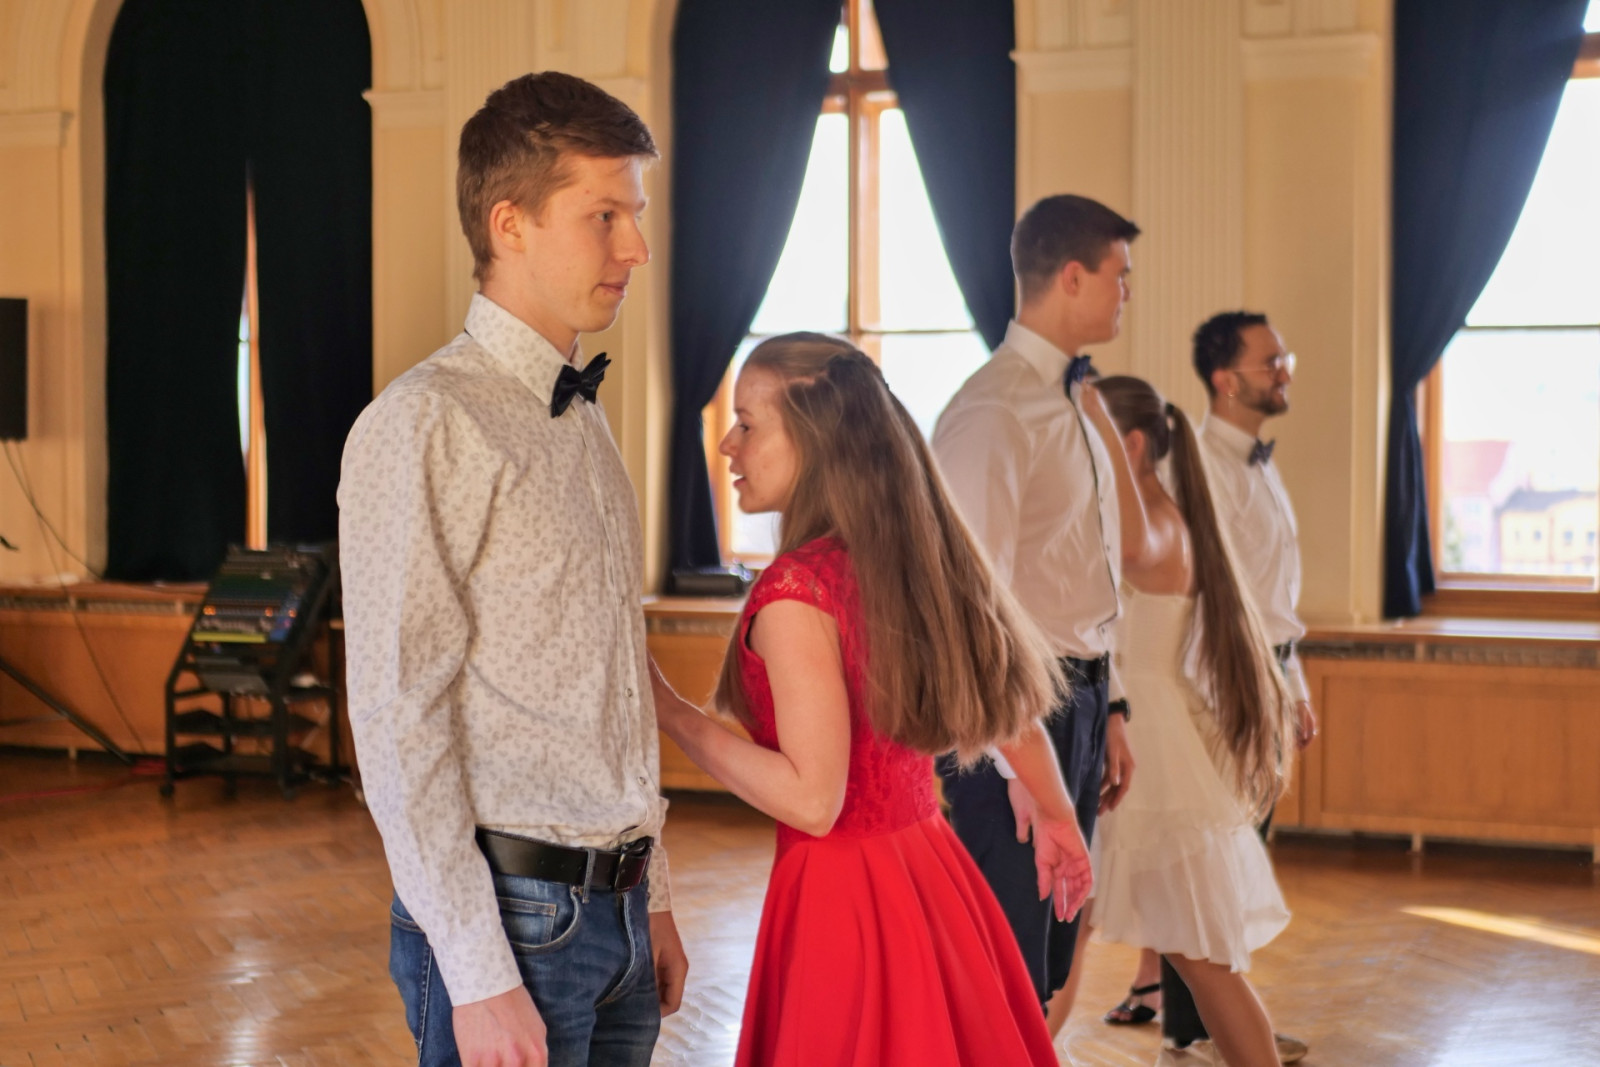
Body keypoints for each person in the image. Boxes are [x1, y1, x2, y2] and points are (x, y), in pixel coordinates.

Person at [338, 72, 687, 1067]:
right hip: (511, 925)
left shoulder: (582, 417)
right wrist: (477, 970)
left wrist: (653, 894)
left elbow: (613, 686)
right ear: (511, 223)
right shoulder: (423, 422)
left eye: (636, 214)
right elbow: (397, 717)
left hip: (617, 917)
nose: (636, 247)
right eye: (605, 215)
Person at [650, 333, 1094, 1066]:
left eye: (749, 424)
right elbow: (1008, 709)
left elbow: (811, 801)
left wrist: (672, 713)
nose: (728, 443)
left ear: (815, 438)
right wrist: (1057, 813)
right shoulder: (906, 558)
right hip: (929, 871)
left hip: (842, 897)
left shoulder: (798, 590)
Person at [930, 194, 1140, 1033]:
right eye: (1121, 276)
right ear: (1074, 276)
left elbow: (1087, 574)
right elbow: (969, 609)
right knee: (999, 966)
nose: (1128, 294)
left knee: (1045, 963)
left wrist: (1112, 706)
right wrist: (1019, 765)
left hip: (1077, 702)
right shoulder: (994, 411)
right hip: (1013, 720)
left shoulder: (1074, 402)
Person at [1102, 313, 1316, 1065]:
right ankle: (1193, 1026)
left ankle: (1209, 1025)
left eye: (1284, 357)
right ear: (1225, 379)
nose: (1284, 369)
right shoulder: (1202, 474)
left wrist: (1289, 684)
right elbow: (1203, 608)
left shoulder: (1255, 468)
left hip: (1245, 681)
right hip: (1211, 686)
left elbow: (1266, 603)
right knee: (1193, 888)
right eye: (1270, 359)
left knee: (1204, 889)